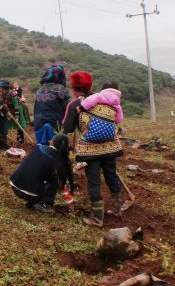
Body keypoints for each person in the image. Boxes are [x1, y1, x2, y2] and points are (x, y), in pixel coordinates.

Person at [62, 72, 123, 227]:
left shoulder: (76, 104)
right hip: (110, 146)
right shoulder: (106, 98)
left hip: (91, 149)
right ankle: (117, 209)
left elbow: (68, 128)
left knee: (94, 181)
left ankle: (97, 218)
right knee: (111, 176)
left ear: (74, 88)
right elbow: (117, 119)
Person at [10, 134, 73, 213]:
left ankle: (33, 201)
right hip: (29, 192)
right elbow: (64, 186)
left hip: (15, 184)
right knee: (55, 180)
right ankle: (42, 204)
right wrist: (70, 204)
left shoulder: (38, 147)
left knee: (41, 174)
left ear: (52, 142)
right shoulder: (57, 162)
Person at [34, 65, 71, 144]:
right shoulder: (62, 89)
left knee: (42, 148)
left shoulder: (39, 89)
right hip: (55, 125)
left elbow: (36, 108)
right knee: (55, 149)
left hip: (39, 123)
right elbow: (68, 108)